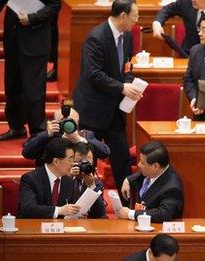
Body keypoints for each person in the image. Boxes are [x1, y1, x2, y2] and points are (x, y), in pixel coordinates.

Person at [73, 0, 142, 203]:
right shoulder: (96, 37)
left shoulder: (128, 37)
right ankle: (84, 205)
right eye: (135, 16)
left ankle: (126, 205)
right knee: (87, 160)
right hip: (92, 109)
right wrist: (122, 87)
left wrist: (130, 86)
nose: (137, 21)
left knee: (121, 160)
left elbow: (127, 67)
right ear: (123, 16)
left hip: (114, 110)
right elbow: (93, 73)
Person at [0, 0, 61, 141]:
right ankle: (16, 127)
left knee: (34, 90)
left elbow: (55, 5)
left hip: (35, 39)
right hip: (13, 37)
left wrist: (32, 18)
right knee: (12, 85)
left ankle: (37, 133)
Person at [22, 106, 110, 167]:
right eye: (63, 121)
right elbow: (27, 153)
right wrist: (47, 135)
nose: (68, 125)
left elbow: (105, 153)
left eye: (72, 122)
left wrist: (80, 139)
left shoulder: (85, 135)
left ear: (77, 124)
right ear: (56, 122)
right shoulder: (47, 136)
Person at [119, 141, 184, 222]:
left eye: (142, 163)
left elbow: (163, 213)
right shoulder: (154, 171)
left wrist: (131, 214)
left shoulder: (172, 188)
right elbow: (141, 174)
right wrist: (128, 180)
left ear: (155, 166)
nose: (139, 165)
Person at [18, 138, 81, 218]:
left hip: (60, 228)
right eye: (70, 159)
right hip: (33, 227)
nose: (73, 163)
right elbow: (28, 208)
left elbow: (70, 209)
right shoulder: (30, 179)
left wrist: (76, 214)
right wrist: (59, 210)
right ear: (56, 162)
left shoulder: (69, 181)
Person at [70, 142, 106, 218]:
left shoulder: (97, 184)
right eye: (80, 162)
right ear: (72, 161)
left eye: (88, 163)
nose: (84, 165)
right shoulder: (63, 179)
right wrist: (68, 179)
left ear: (93, 163)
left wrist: (92, 187)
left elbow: (101, 213)